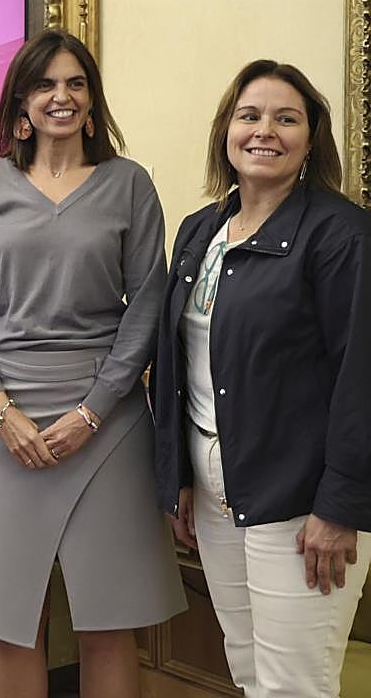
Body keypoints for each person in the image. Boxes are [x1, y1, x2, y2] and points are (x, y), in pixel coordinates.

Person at [0, 29, 185, 697]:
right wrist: (1, 410)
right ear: (23, 100)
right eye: (46, 84)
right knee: (12, 621)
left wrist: (92, 410)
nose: (62, 96)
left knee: (109, 618)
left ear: (91, 98)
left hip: (105, 424)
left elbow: (148, 309)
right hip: (1, 428)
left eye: (75, 83)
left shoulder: (129, 185)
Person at [152, 60, 371, 697]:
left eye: (286, 118)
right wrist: (178, 478)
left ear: (310, 138)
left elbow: (361, 380)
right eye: (249, 116)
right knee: (248, 672)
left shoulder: (342, 236)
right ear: (227, 130)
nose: (264, 130)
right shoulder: (201, 231)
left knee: (294, 686)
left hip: (299, 498)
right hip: (214, 485)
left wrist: (338, 506)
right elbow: (176, 365)